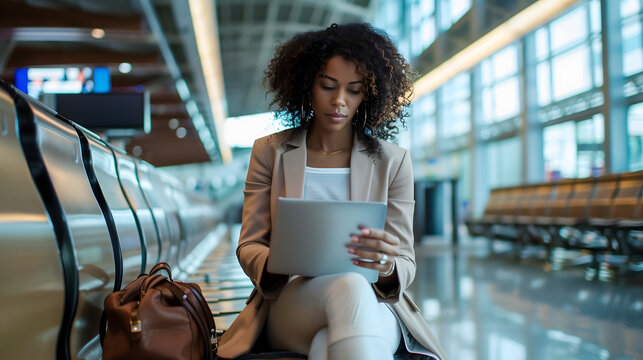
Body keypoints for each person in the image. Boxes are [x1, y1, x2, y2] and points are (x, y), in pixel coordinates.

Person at [216, 23, 448, 360]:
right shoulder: (270, 152)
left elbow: (405, 262)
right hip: (291, 301)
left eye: (353, 90)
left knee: (329, 340)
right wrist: (278, 261)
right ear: (307, 84)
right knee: (348, 287)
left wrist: (385, 265)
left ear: (368, 93)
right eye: (328, 86)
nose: (339, 101)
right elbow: (249, 244)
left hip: (373, 301)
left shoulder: (393, 162)